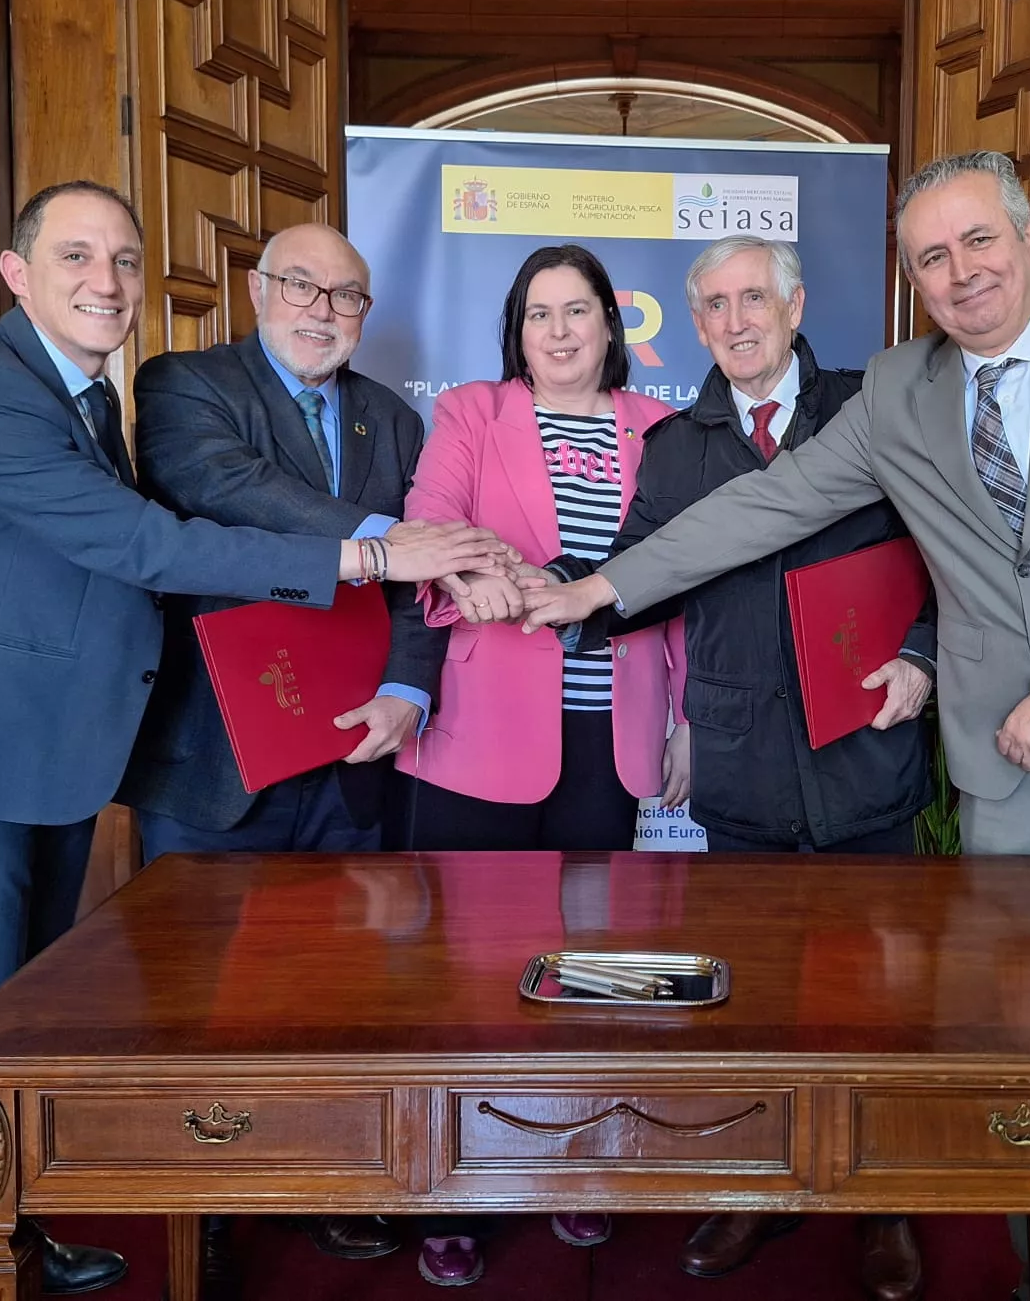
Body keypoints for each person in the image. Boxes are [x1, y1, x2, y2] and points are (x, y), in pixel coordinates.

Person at [523, 151, 1030, 1301]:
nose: (961, 273)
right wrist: (596, 590)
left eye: (978, 242)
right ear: (911, 280)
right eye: (931, 257)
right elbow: (761, 507)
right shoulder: (898, 394)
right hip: (1013, 789)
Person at [0, 182, 507, 1301]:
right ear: (17, 273)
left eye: (122, 261)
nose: (103, 282)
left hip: (56, 764)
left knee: (20, 1030)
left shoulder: (84, 393)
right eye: (74, 257)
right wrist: (365, 555)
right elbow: (147, 542)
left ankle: (12, 1237)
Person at [544, 233, 934, 1301]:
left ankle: (880, 1202)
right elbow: (644, 579)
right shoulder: (679, 443)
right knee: (756, 995)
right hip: (745, 768)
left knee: (878, 1001)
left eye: (752, 297)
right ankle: (756, 1190)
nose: (734, 320)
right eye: (712, 304)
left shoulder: (874, 409)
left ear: (797, 304)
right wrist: (556, 586)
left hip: (866, 750)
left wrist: (925, 657)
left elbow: (955, 553)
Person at [116, 221, 439, 1287]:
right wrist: (391, 538)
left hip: (350, 753)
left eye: (348, 297)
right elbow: (227, 490)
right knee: (197, 999)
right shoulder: (186, 387)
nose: (324, 310)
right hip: (215, 754)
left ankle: (316, 1187)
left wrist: (407, 688)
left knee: (334, 994)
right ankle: (199, 1204)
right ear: (258, 290)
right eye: (302, 285)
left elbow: (415, 591)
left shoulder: (393, 416)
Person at [396, 243, 687, 1286]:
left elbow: (682, 575)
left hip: (610, 736)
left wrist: (685, 718)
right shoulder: (475, 413)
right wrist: (478, 569)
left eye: (579, 312)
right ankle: (459, 1195)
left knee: (590, 973)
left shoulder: (661, 429)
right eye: (538, 315)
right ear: (515, 332)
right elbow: (430, 524)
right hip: (479, 731)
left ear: (615, 325)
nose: (559, 332)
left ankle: (575, 1165)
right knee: (467, 975)